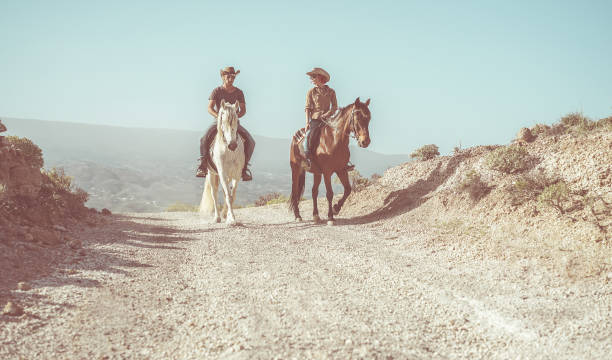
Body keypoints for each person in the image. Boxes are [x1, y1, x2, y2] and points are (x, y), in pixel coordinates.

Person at [197, 66, 255, 181]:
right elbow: (209, 107)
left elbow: (243, 110)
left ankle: (244, 168)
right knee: (203, 138)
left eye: (233, 77)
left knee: (251, 141)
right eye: (228, 76)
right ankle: (203, 166)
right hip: (219, 122)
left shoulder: (239, 92)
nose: (231, 79)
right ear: (223, 77)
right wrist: (219, 117)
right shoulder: (217, 91)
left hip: (234, 124)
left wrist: (234, 118)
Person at [304, 67, 338, 168]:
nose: (311, 79)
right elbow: (307, 108)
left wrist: (327, 114)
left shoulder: (331, 92)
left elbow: (335, 106)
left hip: (328, 120)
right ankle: (308, 157)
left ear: (320, 77)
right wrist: (307, 123)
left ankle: (343, 160)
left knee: (339, 135)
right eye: (311, 77)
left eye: (313, 76)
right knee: (310, 135)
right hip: (315, 119)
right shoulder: (311, 92)